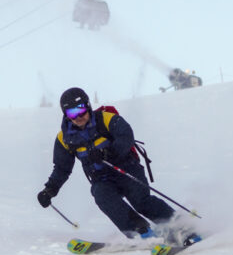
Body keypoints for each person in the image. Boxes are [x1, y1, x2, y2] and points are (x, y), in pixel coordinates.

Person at [37, 87, 176, 239]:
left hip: (127, 169)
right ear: (66, 115)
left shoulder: (106, 118)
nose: (78, 116)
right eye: (71, 113)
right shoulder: (64, 138)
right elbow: (62, 168)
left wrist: (109, 152)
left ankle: (177, 225)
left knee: (140, 201)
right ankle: (140, 231)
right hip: (101, 178)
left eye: (81, 109)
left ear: (88, 105)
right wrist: (50, 190)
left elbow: (126, 135)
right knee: (101, 194)